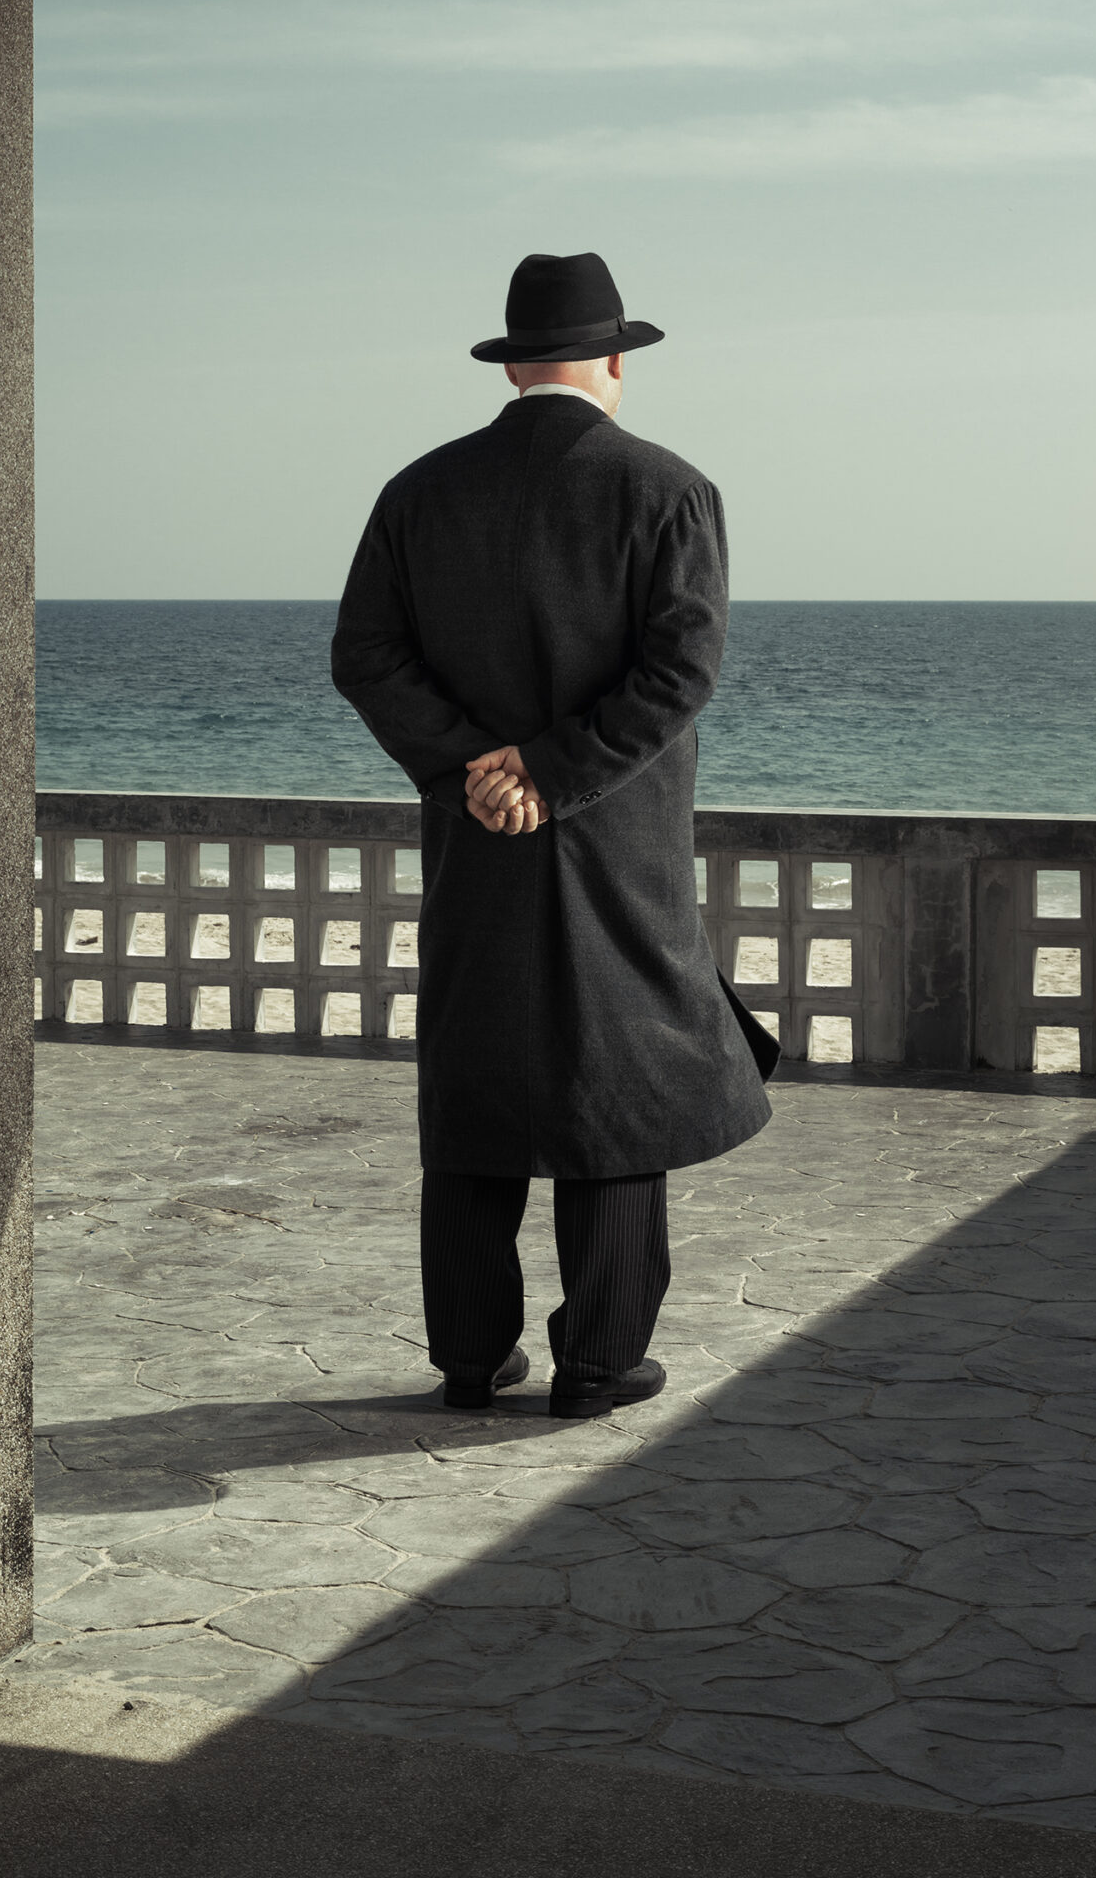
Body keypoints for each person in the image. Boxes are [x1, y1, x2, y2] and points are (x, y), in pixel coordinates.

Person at [330, 251, 777, 1421]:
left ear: (515, 363)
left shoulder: (417, 492)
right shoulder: (669, 490)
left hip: (475, 835)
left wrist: (473, 766)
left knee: (478, 1083)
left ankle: (470, 1360)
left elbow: (365, 657)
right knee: (615, 1087)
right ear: (616, 361)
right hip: (614, 842)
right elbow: (681, 673)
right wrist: (551, 768)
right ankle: (597, 1362)